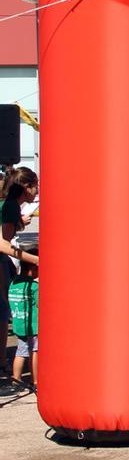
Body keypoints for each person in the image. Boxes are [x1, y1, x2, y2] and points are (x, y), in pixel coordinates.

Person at [0, 168, 39, 385]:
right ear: (27, 187)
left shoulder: (10, 205)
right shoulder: (11, 206)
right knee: (9, 306)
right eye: (36, 185)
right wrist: (35, 260)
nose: (38, 190)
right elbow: (3, 243)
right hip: (2, 261)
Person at [6, 245, 38, 393]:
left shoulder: (13, 284)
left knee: (20, 352)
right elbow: (41, 304)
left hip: (19, 324)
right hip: (33, 326)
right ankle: (35, 380)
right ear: (32, 268)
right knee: (35, 352)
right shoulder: (33, 287)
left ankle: (16, 378)